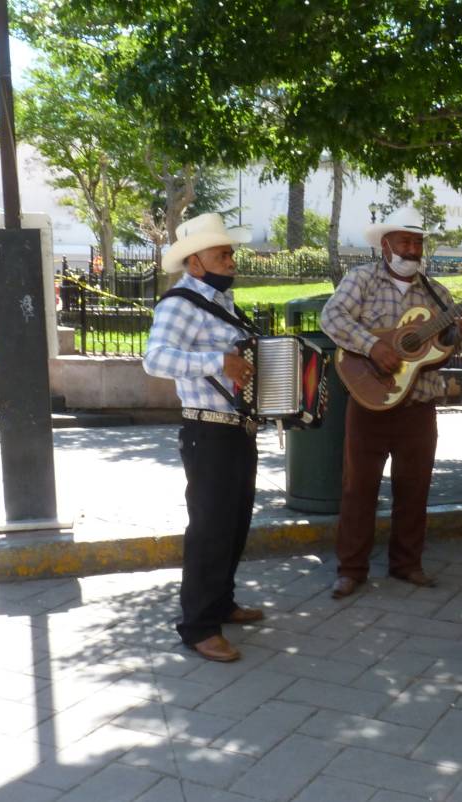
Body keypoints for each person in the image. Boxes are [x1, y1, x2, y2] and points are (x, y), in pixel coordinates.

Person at [320, 207, 462, 599]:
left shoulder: (436, 293)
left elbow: (443, 351)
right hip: (369, 402)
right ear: (386, 245)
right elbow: (332, 318)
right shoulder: (362, 279)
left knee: (415, 487)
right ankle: (351, 569)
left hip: (419, 405)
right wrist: (373, 346)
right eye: (405, 241)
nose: (412, 249)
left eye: (418, 242)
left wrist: (461, 333)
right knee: (359, 487)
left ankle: (407, 563)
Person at [143, 213, 263, 662]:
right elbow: (154, 360)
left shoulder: (222, 303)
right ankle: (197, 627)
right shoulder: (180, 304)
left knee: (233, 526)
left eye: (230, 254)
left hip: (235, 429)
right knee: (210, 531)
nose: (231, 261)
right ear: (194, 264)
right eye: (221, 254)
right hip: (206, 430)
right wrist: (218, 362)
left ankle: (222, 603)